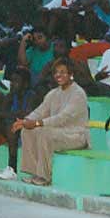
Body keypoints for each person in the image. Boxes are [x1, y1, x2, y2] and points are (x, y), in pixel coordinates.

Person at [12, 57, 90, 186]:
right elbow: (40, 111)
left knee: (44, 133)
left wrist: (37, 123)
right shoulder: (53, 93)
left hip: (76, 135)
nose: (58, 75)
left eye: (63, 72)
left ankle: (44, 177)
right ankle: (33, 172)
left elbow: (62, 118)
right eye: (56, 72)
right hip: (56, 131)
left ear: (71, 74)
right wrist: (25, 121)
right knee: (27, 131)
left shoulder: (78, 94)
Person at [0, 67, 37, 180]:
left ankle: (12, 167)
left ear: (26, 84)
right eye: (12, 81)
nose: (13, 84)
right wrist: (11, 112)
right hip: (13, 128)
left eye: (16, 81)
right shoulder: (11, 96)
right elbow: (1, 113)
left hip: (27, 129)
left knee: (12, 126)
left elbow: (26, 114)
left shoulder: (31, 96)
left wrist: (10, 115)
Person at [35, 38, 99, 98]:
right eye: (55, 46)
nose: (57, 49)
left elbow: (90, 83)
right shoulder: (49, 66)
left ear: (68, 49)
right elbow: (39, 83)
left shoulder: (79, 64)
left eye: (61, 46)